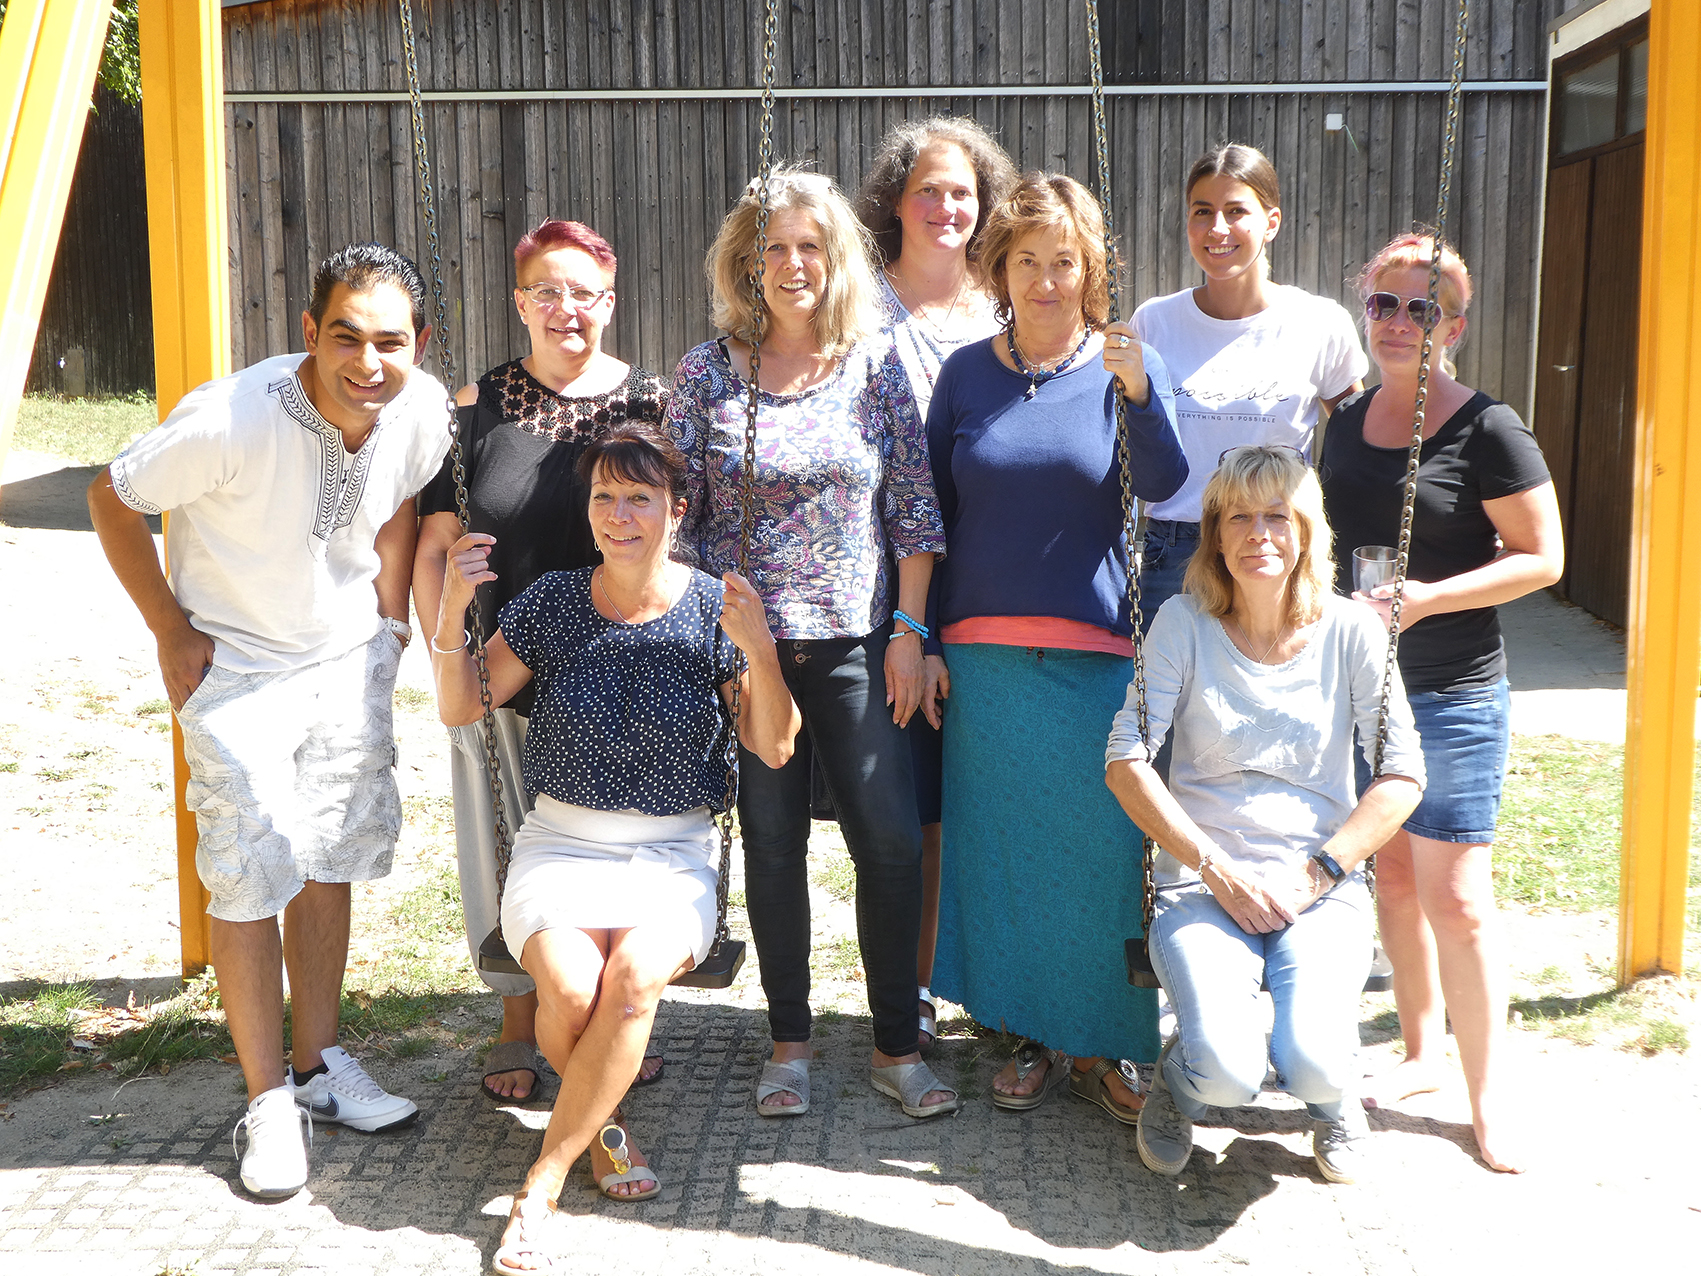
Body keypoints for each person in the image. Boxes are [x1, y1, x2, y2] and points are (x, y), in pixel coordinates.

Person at [86, 243, 452, 1201]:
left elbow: (402, 500)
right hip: (236, 666)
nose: (365, 363)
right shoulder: (229, 421)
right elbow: (110, 499)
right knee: (249, 872)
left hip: (344, 658)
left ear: (422, 342)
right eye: (344, 337)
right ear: (308, 333)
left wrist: (386, 620)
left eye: (389, 341)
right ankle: (265, 1103)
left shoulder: (420, 407)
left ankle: (320, 1067)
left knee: (328, 856)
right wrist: (170, 628)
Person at [428, 422, 798, 1273]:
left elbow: (774, 746)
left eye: (639, 498)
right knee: (566, 986)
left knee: (629, 985)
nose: (619, 514)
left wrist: (762, 655)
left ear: (675, 508)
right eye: (604, 497)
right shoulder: (554, 601)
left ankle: (545, 1177)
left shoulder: (716, 608)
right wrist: (452, 608)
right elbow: (462, 705)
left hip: (670, 855)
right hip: (560, 844)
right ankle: (607, 1128)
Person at [666, 166, 958, 1120]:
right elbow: (677, 518)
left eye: (808, 246)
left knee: (887, 840)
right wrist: (702, 641)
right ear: (742, 263)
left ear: (834, 260)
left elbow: (912, 502)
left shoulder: (873, 365)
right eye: (770, 248)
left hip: (855, 640)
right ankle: (787, 1042)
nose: (790, 265)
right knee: (774, 841)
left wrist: (910, 631)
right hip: (745, 646)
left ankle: (894, 1046)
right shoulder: (706, 374)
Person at [924, 172, 1186, 1121]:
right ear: (998, 268)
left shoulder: (1117, 366)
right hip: (984, 657)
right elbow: (931, 516)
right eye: (1027, 261)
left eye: (1063, 262)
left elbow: (1162, 479)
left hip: (1093, 656)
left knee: (1099, 853)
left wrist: (1140, 391)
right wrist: (925, 636)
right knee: (1004, 853)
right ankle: (1029, 1033)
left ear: (1090, 269)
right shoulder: (964, 375)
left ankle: (1109, 1042)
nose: (1045, 280)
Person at [1105, 446, 1425, 1184]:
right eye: (1237, 518)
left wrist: (1319, 872)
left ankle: (1330, 1096)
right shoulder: (1181, 624)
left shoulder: (1352, 631)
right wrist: (1212, 868)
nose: (1258, 534)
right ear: (1214, 535)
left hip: (1320, 885)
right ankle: (1179, 1085)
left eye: (1276, 516)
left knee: (1310, 1062)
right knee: (1226, 1071)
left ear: (1305, 531)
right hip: (1202, 882)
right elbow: (1125, 760)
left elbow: (1402, 774)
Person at [411, 219, 671, 1104]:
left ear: (611, 300)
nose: (568, 309)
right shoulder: (474, 408)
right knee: (505, 840)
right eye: (548, 293)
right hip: (500, 669)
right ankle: (520, 1018)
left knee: (614, 845)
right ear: (521, 303)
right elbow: (435, 538)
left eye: (585, 292)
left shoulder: (651, 403)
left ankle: (614, 1020)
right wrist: (445, 650)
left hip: (624, 676)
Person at [1321, 233, 1563, 1174]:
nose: (1394, 322)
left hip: (1455, 687)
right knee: (1386, 879)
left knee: (1454, 894)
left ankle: (1486, 1094)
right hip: (1360, 684)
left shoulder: (1488, 428)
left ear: (1451, 325)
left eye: (1418, 309)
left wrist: (1426, 599)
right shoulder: (1345, 421)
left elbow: (1542, 560)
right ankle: (1421, 1054)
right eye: (1382, 303)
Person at [854, 114, 1017, 1052]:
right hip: (888, 589)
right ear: (896, 201)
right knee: (910, 806)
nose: (947, 206)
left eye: (963, 191)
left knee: (979, 801)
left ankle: (990, 982)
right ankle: (910, 987)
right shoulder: (860, 309)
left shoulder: (1006, 309)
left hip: (990, 578)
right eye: (928, 189)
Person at [1131, 143, 1366, 624]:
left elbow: (1356, 441)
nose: (1217, 229)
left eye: (1236, 211)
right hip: (1174, 547)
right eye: (1203, 212)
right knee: (1163, 697)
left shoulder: (1319, 322)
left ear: (1271, 222)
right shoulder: (1155, 322)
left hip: (1274, 548)